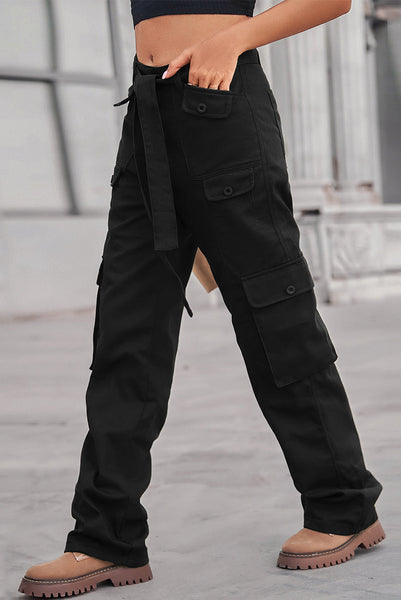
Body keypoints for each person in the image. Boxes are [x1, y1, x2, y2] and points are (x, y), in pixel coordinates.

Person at [18, 1, 385, 596]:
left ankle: (344, 506)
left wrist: (235, 39)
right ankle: (106, 538)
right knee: (125, 331)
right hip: (147, 116)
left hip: (223, 107)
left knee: (277, 321)